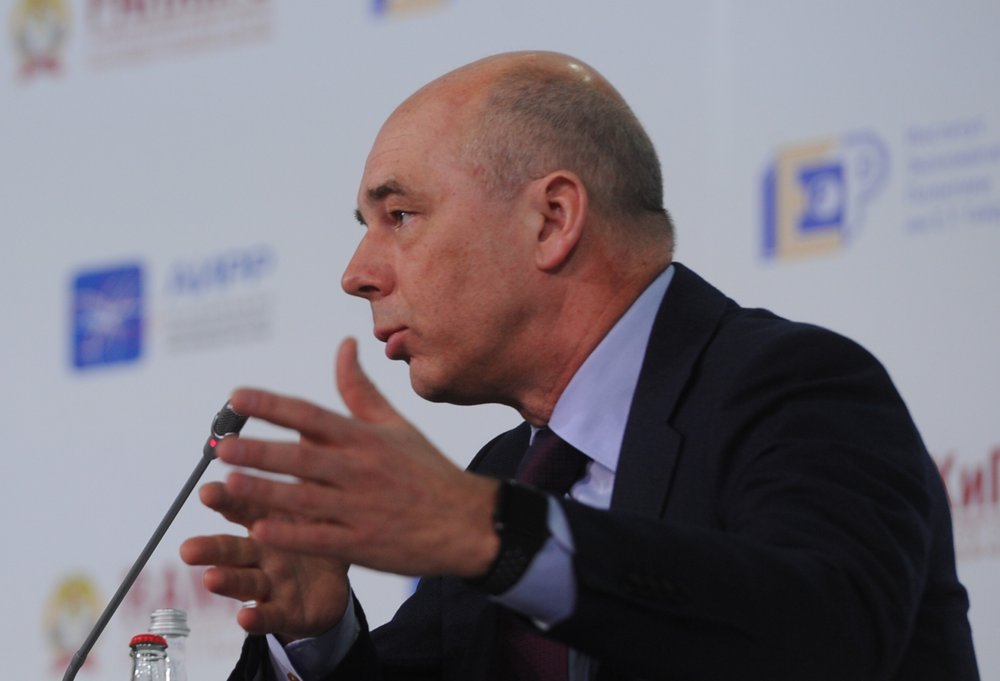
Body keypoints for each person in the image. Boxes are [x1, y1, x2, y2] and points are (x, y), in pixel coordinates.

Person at [180, 51, 979, 680]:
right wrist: (318, 635)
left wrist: (492, 533)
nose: (357, 272)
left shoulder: (796, 389)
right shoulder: (506, 475)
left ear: (552, 219)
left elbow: (826, 639)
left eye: (401, 215)